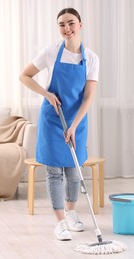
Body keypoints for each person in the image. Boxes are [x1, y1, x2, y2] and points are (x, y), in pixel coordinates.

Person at [19, 7, 99, 241]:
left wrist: (74, 126)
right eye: (62, 24)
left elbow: (87, 97)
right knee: (54, 170)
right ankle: (60, 222)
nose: (67, 28)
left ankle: (72, 213)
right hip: (53, 119)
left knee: (73, 170)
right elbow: (24, 76)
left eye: (71, 23)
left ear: (80, 25)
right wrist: (46, 94)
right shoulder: (51, 52)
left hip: (77, 119)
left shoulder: (91, 58)